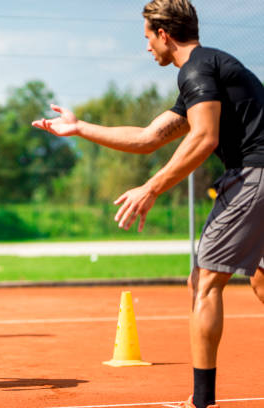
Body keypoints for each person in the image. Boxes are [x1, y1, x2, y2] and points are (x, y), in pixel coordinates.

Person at [32, 1, 264, 407]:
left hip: (252, 176)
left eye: (146, 39)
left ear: (164, 34)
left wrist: (151, 188)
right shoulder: (209, 69)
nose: (146, 49)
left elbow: (205, 137)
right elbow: (148, 137)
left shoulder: (195, 69)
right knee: (260, 277)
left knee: (204, 282)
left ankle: (202, 400)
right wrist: (80, 127)